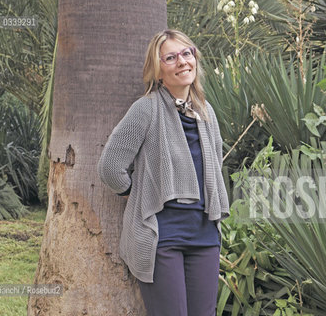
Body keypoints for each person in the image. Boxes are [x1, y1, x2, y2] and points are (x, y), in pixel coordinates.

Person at [97, 29, 230, 316]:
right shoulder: (145, 109)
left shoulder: (206, 111)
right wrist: (136, 191)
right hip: (163, 238)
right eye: (171, 57)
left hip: (205, 235)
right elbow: (110, 166)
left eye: (186, 53)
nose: (182, 62)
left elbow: (215, 166)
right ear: (158, 71)